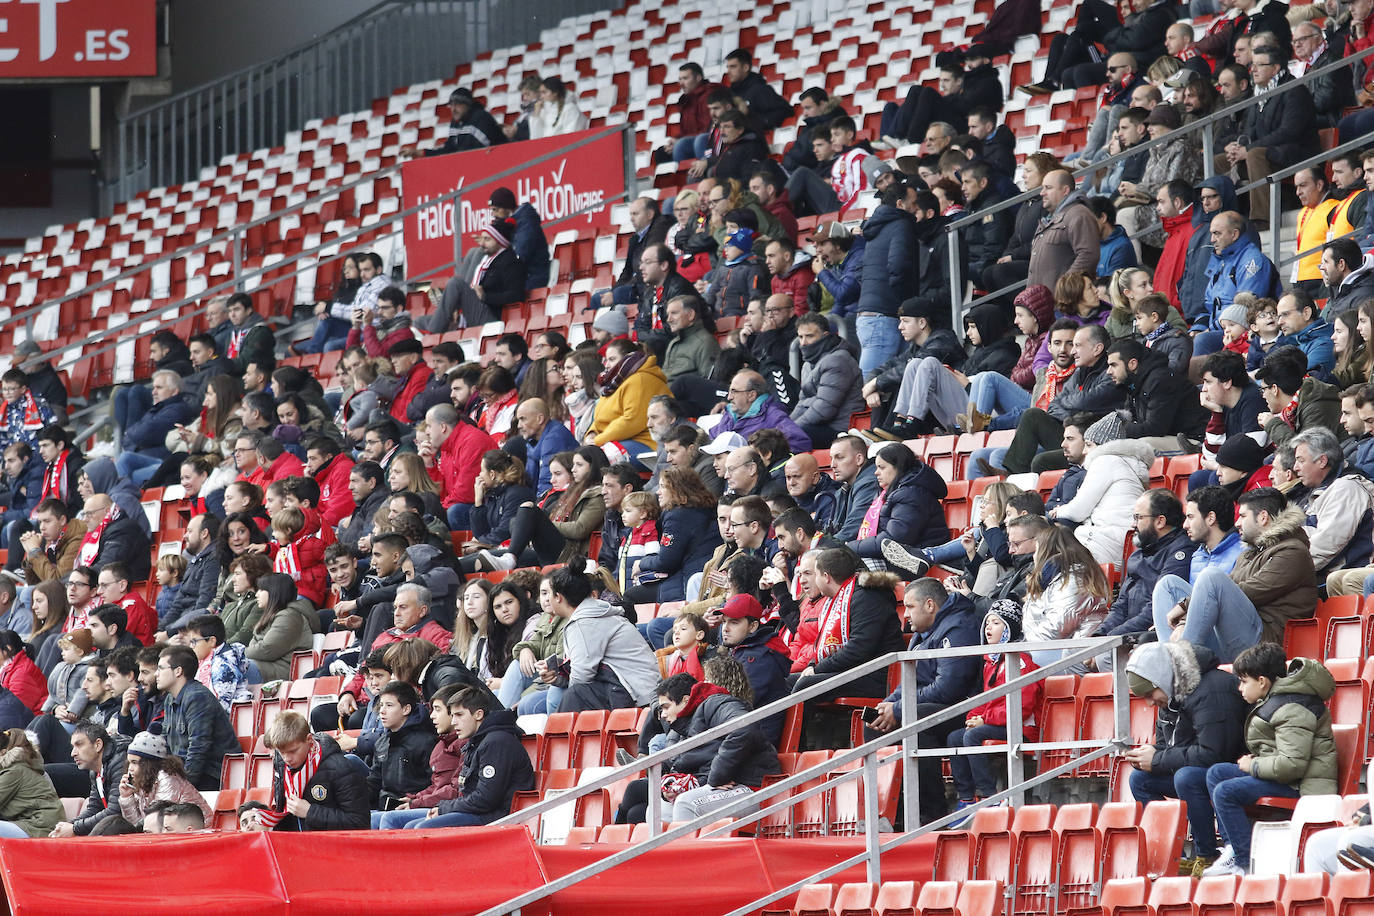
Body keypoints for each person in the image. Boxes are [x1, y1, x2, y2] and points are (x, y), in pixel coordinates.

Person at [1202, 643, 1337, 877]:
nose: (1240, 688)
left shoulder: (1292, 707)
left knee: (1225, 791)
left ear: (1262, 681)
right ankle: (1233, 847)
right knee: (1216, 773)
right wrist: (1258, 760)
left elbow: (1292, 765)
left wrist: (1253, 765)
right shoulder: (1278, 699)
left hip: (1304, 786)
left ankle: (1244, 863)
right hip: (1291, 777)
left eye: (1244, 681)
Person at [1123, 639, 1250, 877]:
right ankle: (1174, 854)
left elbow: (1213, 754)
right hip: (1201, 768)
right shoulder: (1171, 694)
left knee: (1186, 777)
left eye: (1150, 694)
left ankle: (1207, 853)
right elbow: (1166, 746)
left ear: (1162, 678)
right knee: (1140, 779)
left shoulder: (1211, 689)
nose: (1150, 703)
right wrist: (1146, 756)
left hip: (1229, 770)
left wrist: (1159, 759)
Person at [1152, 488, 1314, 663]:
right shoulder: (1249, 554)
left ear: (1263, 517)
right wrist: (1184, 620)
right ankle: (1170, 663)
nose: (1237, 523)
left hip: (1264, 644)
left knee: (1211, 576)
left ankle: (1181, 666)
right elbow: (1229, 585)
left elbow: (1250, 591)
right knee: (1168, 585)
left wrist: (1185, 607)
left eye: (1243, 516)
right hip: (1232, 635)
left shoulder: (1293, 552)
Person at [866, 577, 981, 823]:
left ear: (930, 605)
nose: (905, 614)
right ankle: (892, 814)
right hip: (936, 705)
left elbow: (948, 688)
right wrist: (887, 706)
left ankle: (930, 813)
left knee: (914, 720)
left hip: (967, 710)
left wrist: (899, 708)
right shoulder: (925, 632)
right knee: (875, 726)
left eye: (910, 607)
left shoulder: (958, 627)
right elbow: (912, 681)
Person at [617, 672, 779, 825]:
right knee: (657, 809)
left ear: (686, 700)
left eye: (666, 707)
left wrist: (717, 777)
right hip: (716, 788)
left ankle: (688, 855)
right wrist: (669, 788)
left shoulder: (716, 704)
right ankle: (663, 855)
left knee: (686, 804)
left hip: (751, 785)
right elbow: (677, 767)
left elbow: (744, 727)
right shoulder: (677, 730)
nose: (663, 715)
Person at [947, 601, 1044, 816]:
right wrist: (973, 716)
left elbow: (1021, 708)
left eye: (996, 623)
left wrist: (984, 719)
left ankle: (990, 796)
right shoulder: (992, 662)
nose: (988, 627)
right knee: (955, 737)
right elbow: (986, 700)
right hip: (996, 723)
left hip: (1021, 727)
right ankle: (966, 798)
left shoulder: (1021, 664)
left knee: (973, 736)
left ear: (1009, 629)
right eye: (987, 622)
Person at [546, 559, 659, 712]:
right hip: (638, 690)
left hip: (639, 697)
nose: (547, 599)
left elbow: (581, 677)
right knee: (553, 696)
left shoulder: (583, 623)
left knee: (574, 695)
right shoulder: (594, 613)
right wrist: (557, 676)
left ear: (558, 597)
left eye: (549, 594)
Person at [412, 686, 534, 828]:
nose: (453, 722)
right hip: (477, 811)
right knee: (408, 826)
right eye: (452, 716)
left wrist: (444, 808)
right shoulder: (478, 740)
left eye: (459, 715)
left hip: (496, 817)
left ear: (478, 714)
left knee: (422, 828)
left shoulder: (497, 743)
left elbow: (485, 800)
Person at [1224, 45, 1318, 230]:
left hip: (1297, 152)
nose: (1253, 70)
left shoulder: (1294, 90)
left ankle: (1262, 219)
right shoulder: (1258, 93)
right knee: (1219, 161)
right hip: (1271, 151)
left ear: (1275, 68)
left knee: (1254, 155)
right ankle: (1223, 218)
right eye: (1253, 65)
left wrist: (1249, 150)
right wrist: (1236, 146)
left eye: (1260, 65)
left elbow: (1289, 132)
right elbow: (1249, 129)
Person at [245, 711, 369, 831]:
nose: (287, 758)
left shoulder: (340, 768)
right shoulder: (281, 765)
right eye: (282, 752)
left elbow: (359, 822)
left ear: (309, 739)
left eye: (293, 751)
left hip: (331, 848)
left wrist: (310, 812)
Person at [853, 184, 918, 376]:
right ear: (900, 204)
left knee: (886, 384)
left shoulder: (875, 228)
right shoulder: (902, 224)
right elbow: (899, 266)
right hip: (884, 316)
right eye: (913, 203)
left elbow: (859, 268)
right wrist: (905, 302)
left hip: (870, 314)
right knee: (871, 386)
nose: (916, 208)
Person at [156, 644, 240, 790]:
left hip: (211, 775)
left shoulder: (197, 697)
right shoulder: (170, 699)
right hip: (185, 774)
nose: (156, 674)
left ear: (178, 671)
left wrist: (185, 787)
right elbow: (166, 744)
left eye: (161, 668)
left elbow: (198, 747)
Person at [114, 731, 211, 832]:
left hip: (201, 832)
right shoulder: (143, 780)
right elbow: (138, 825)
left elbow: (157, 823)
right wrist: (127, 798)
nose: (130, 769)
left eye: (135, 763)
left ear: (148, 764)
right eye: (129, 762)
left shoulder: (168, 779)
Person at [790, 314, 863, 448]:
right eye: (800, 337)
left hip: (840, 430)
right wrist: (786, 426)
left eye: (809, 336)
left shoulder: (837, 360)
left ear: (825, 335)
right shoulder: (808, 364)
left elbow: (824, 409)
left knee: (791, 437)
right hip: (820, 426)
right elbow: (802, 403)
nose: (803, 343)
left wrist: (791, 429)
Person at [48, 721, 130, 837]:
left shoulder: (120, 762)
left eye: (79, 745)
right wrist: (68, 825)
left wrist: (75, 828)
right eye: (73, 747)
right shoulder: (95, 770)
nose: (73, 753)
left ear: (98, 745)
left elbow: (115, 811)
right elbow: (94, 808)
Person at [1028, 170, 1101, 293]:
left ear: (1065, 190)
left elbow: (1088, 255)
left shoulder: (1079, 214)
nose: (1042, 193)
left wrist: (1063, 289)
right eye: (1042, 188)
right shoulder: (1049, 219)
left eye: (1048, 188)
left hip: (1063, 306)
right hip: (1044, 304)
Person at [0, 728, 62, 838]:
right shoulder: (16, 768)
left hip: (39, 827)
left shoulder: (14, 772)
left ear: (3, 753)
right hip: (33, 824)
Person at [407, 87, 504, 157]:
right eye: (451, 105)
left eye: (457, 105)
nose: (453, 109)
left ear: (468, 104)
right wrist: (422, 153)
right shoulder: (456, 123)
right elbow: (449, 149)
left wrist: (456, 156)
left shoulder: (481, 117)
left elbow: (480, 151)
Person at [826, 435, 880, 542]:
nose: (832, 465)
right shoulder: (844, 489)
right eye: (831, 459)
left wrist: (824, 548)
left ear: (859, 459)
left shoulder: (869, 483)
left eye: (839, 457)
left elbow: (854, 527)